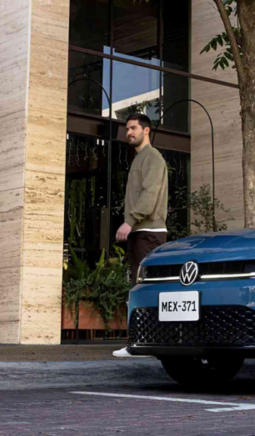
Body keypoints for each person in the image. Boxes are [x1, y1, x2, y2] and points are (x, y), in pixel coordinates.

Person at [113, 113, 168, 358]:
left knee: (145, 287)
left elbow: (150, 194)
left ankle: (144, 343)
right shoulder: (139, 159)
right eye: (127, 129)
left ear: (146, 130)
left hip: (148, 231)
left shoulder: (152, 158)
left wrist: (129, 221)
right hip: (141, 231)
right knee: (140, 286)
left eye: (133, 128)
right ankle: (143, 342)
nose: (129, 132)